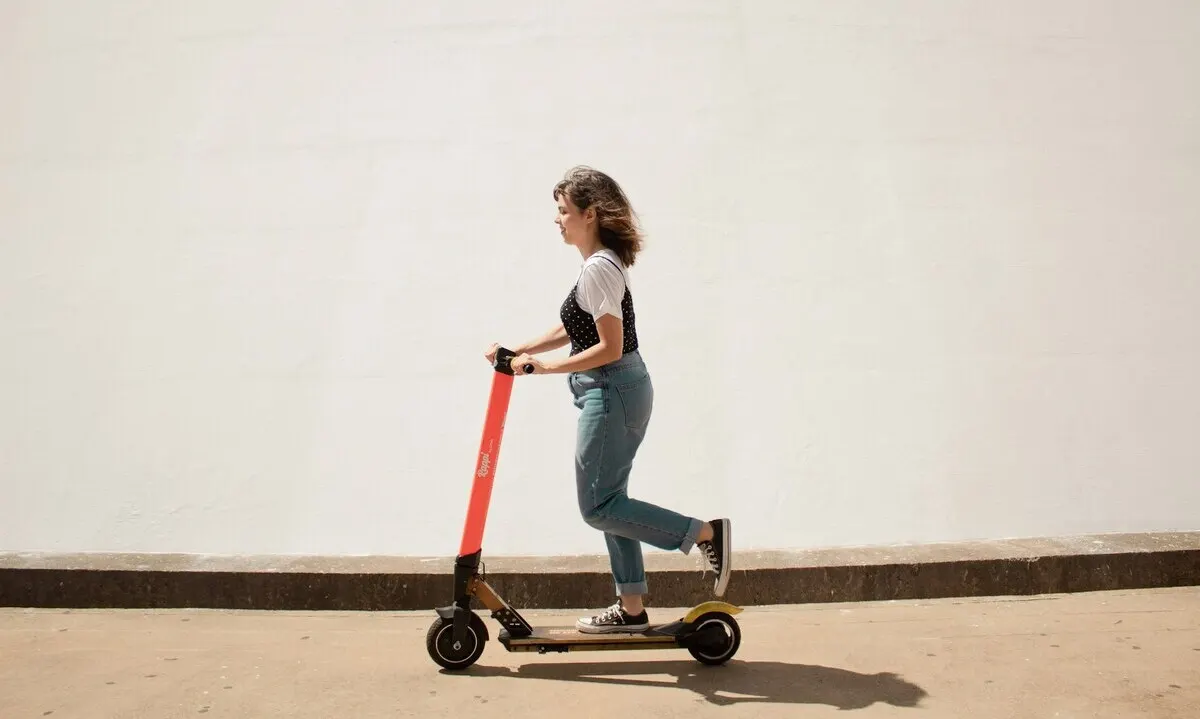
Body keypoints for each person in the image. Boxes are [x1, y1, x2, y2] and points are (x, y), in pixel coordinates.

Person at [484, 165, 731, 634]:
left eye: (563, 211)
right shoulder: (598, 266)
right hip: (619, 389)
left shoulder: (599, 268)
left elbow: (609, 346)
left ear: (589, 213)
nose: (557, 220)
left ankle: (703, 533)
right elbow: (572, 328)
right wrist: (521, 350)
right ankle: (632, 609)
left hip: (612, 388)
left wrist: (543, 368)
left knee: (597, 507)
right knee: (611, 501)